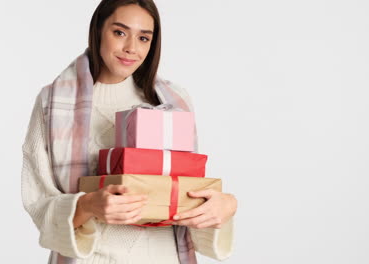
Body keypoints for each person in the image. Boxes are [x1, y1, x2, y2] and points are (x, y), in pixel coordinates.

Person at [21, 1, 237, 263]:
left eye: (144, 37)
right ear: (98, 30)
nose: (131, 48)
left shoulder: (175, 102)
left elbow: (184, 193)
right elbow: (39, 203)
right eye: (120, 32)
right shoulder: (53, 103)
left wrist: (225, 206)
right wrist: (87, 205)